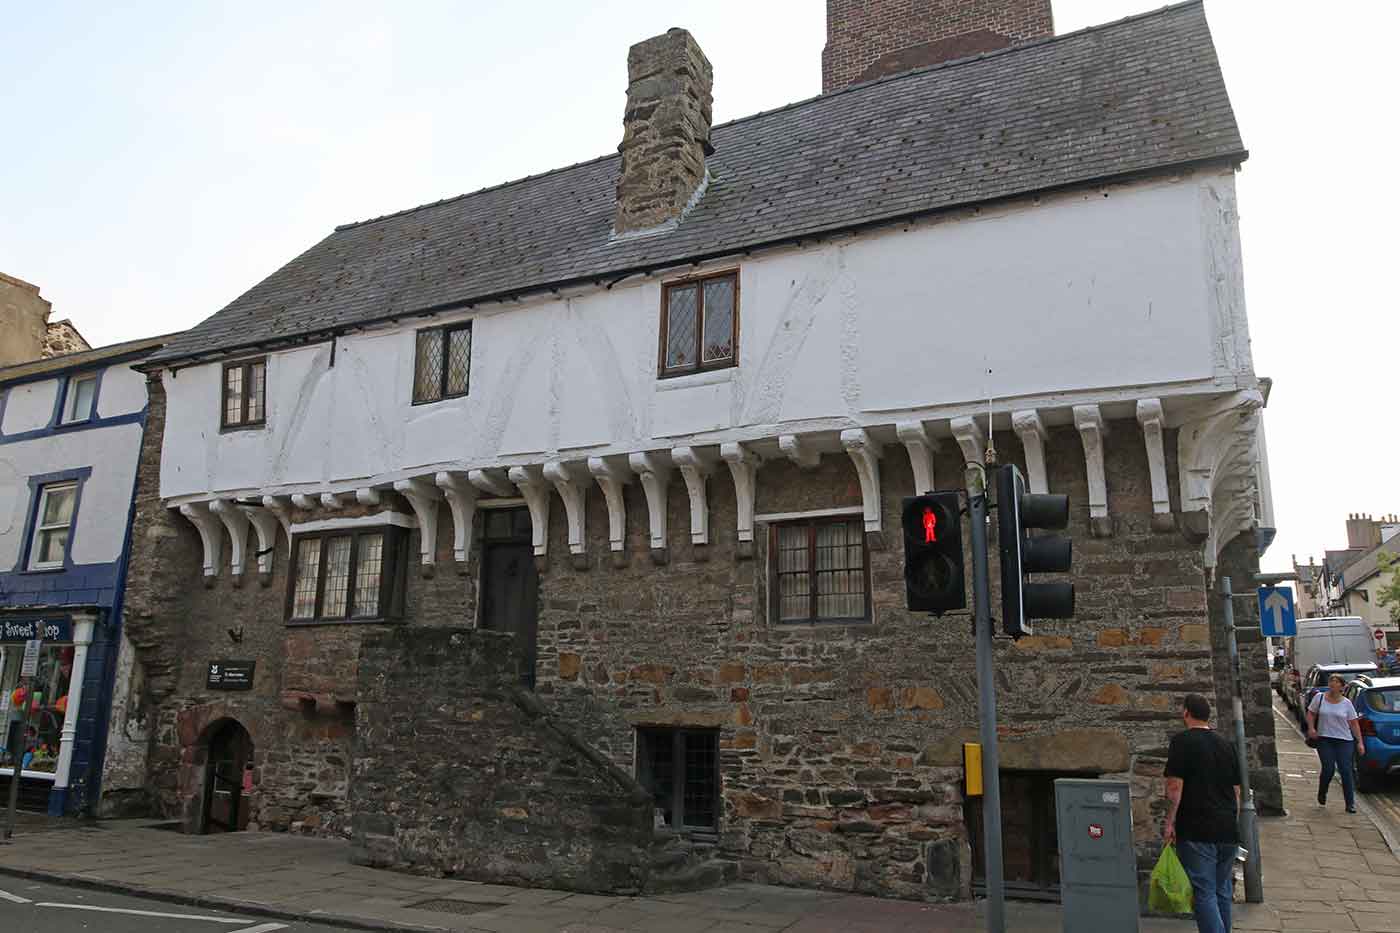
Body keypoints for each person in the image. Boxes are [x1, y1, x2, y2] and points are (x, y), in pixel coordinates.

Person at [1164, 694, 1241, 933]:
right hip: (1227, 828)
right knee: (1222, 891)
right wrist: (1233, 821)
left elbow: (1175, 787)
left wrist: (1170, 821)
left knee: (1204, 892)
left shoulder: (1182, 742)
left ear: (1186, 713)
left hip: (1197, 827)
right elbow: (1236, 790)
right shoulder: (1226, 745)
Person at [1307, 673, 1365, 813]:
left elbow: (1354, 724)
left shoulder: (1347, 703)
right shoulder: (1319, 697)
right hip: (1325, 739)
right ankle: (1322, 791)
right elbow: (1311, 713)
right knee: (1328, 768)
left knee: (1346, 770)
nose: (1332, 683)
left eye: (1336, 681)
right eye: (1331, 681)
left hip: (1344, 741)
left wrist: (1360, 742)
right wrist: (1311, 728)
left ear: (1342, 686)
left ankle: (1350, 803)